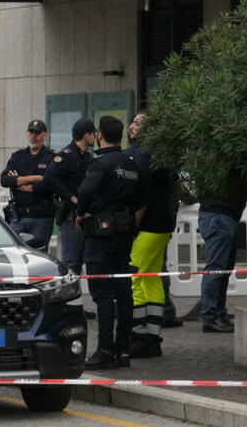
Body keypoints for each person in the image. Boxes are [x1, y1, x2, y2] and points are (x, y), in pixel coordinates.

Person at [75, 116, 145, 370]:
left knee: (102, 293)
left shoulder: (100, 164)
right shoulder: (131, 165)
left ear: (100, 136)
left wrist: (81, 214)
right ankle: (122, 349)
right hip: (124, 232)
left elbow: (85, 192)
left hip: (101, 234)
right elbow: (139, 200)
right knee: (123, 292)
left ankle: (105, 349)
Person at [124, 111, 177, 358]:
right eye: (133, 122)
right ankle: (153, 336)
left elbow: (140, 194)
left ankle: (138, 334)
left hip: (147, 224)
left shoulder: (141, 155)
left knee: (134, 277)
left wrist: (133, 225)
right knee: (151, 277)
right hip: (163, 222)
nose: (132, 126)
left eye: (138, 123)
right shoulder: (162, 154)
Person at [44, 118, 96, 274]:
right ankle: (64, 297)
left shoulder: (86, 157)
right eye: (93, 134)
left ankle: (75, 297)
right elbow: (50, 177)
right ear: (87, 136)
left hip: (84, 214)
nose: (95, 137)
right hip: (70, 214)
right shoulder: (66, 155)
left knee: (80, 261)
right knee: (70, 261)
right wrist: (71, 198)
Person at [198, 180, 247, 333]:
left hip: (224, 215)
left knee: (223, 269)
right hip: (220, 214)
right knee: (217, 269)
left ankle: (217, 312)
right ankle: (211, 316)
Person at [0, 119, 56, 250]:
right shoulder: (17, 157)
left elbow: (49, 184)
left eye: (37, 133)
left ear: (45, 135)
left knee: (39, 255)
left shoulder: (51, 157)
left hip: (41, 217)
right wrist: (35, 178)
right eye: (31, 132)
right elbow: (5, 180)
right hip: (18, 217)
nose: (33, 136)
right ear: (27, 134)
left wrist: (19, 182)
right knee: (14, 252)